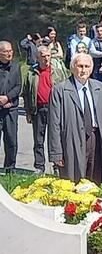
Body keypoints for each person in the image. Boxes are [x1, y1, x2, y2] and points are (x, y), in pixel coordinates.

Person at [48, 53, 102, 184]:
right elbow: (54, 124)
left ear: (91, 68)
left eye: (87, 66)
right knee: (73, 180)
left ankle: (92, 203)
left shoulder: (100, 88)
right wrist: (56, 153)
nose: (83, 70)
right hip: (71, 139)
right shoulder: (60, 90)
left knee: (94, 179)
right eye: (80, 66)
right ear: (73, 67)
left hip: (95, 138)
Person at [25, 46, 69, 173]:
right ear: (38, 57)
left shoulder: (58, 71)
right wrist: (28, 111)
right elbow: (27, 94)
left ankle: (57, 165)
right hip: (38, 109)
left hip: (55, 109)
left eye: (48, 56)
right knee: (38, 140)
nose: (46, 58)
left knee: (56, 138)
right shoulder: (31, 73)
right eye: (43, 56)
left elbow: (65, 91)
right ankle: (39, 167)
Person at [0, 41, 21, 171]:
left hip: (11, 109)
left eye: (11, 51)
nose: (9, 54)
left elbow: (18, 86)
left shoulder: (16, 67)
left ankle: (10, 169)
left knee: (11, 141)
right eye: (6, 51)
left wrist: (8, 97)